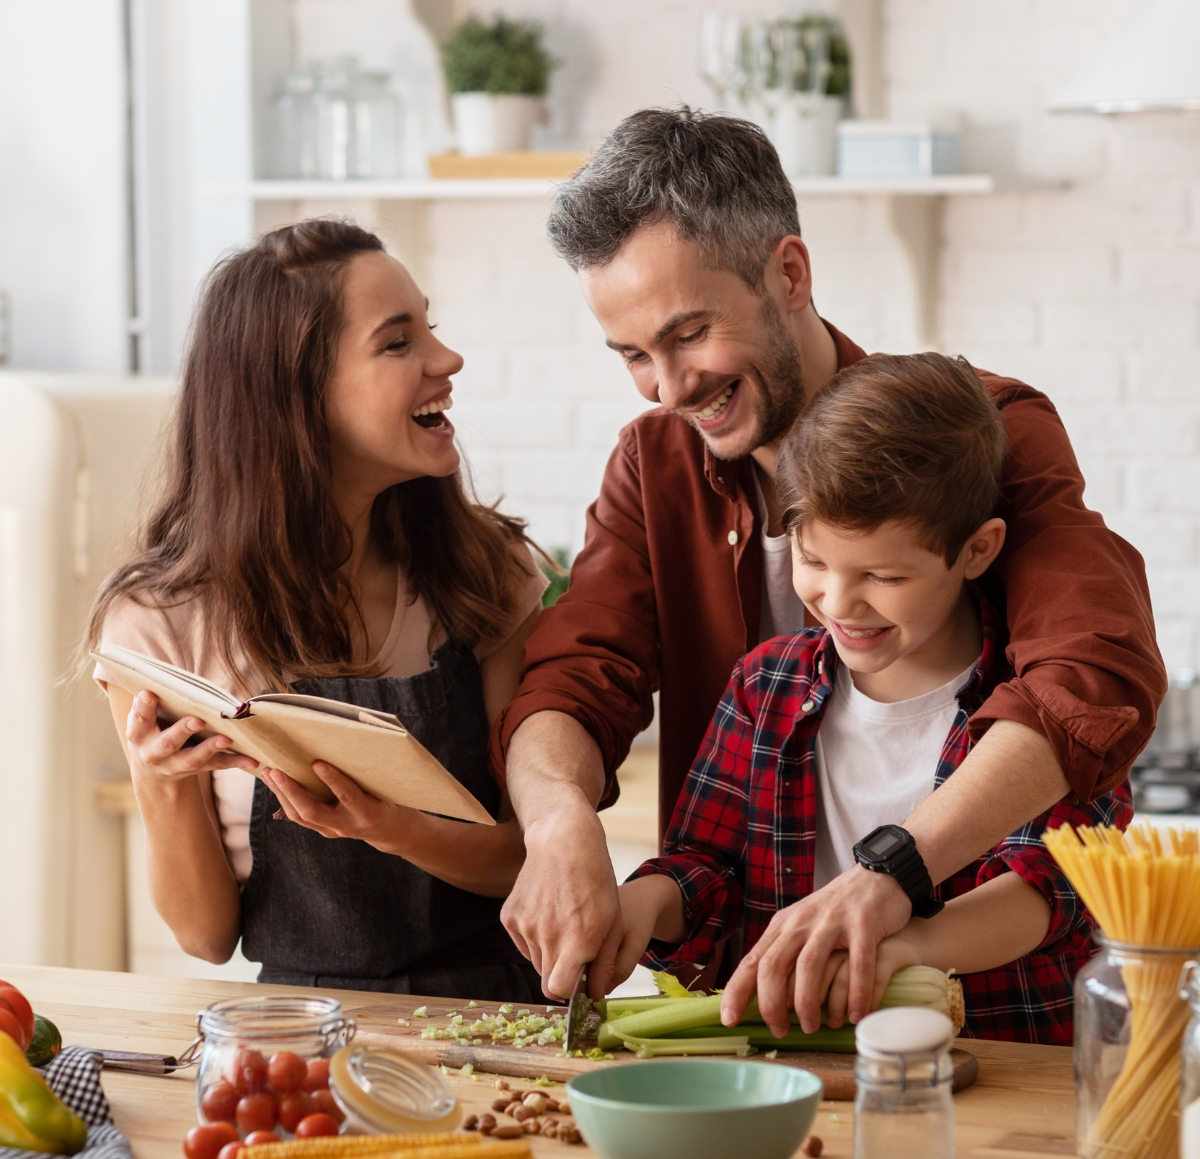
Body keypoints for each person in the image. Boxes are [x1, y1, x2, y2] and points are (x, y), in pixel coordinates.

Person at [492, 107, 1165, 1027]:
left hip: (989, 1020)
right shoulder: (654, 465)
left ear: (790, 274)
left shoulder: (984, 431)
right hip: (761, 1024)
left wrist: (892, 878)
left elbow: (1092, 672)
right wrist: (560, 821)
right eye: (634, 355)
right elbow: (573, 682)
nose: (669, 387)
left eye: (689, 334)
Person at [89, 219, 549, 1001]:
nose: (448, 360)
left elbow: (529, 859)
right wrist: (160, 783)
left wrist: (390, 827)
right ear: (296, 395)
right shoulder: (156, 629)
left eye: (428, 328)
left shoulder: (486, 574)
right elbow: (205, 937)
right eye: (398, 343)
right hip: (300, 1030)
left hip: (496, 1011)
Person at [616, 352, 1130, 1043]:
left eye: (884, 575)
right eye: (813, 558)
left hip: (1006, 1066)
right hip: (810, 1071)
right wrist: (639, 905)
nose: (838, 600)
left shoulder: (1035, 705)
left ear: (977, 551)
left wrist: (901, 949)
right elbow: (707, 871)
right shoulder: (763, 686)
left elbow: (1052, 888)